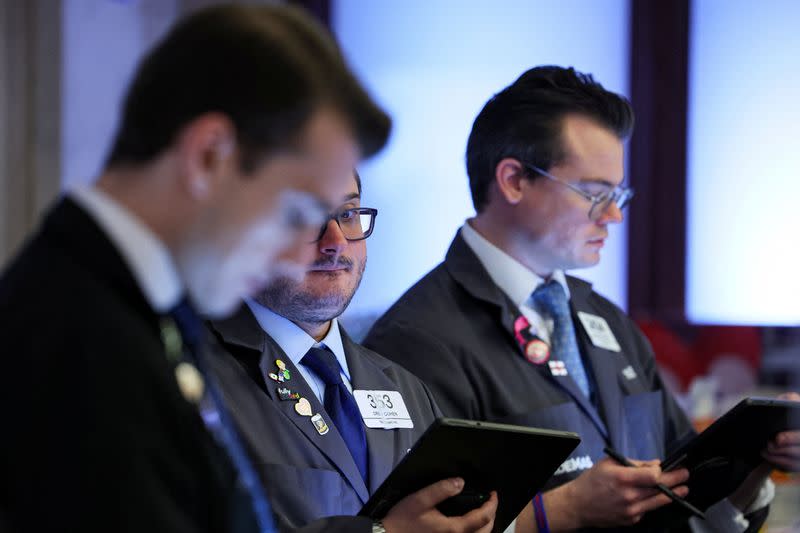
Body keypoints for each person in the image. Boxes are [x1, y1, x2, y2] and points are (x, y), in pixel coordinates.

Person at [0, 5, 391, 532]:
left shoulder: (137, 311)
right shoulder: (78, 335)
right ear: (210, 157)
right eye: (298, 214)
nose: (305, 253)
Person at [364, 66, 800, 532]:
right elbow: (424, 525)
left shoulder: (607, 321)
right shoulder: (415, 340)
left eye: (618, 195)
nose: (613, 215)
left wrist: (752, 464)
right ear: (513, 181)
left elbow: (682, 496)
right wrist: (561, 512)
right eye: (594, 193)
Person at [208, 170, 498, 533]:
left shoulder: (406, 389)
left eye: (347, 214)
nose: (336, 241)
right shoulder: (196, 381)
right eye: (306, 217)